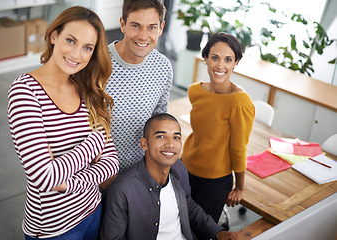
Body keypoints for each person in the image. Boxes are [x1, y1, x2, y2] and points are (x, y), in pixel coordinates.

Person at [7, 6, 119, 240]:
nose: (77, 55)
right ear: (54, 36)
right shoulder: (25, 93)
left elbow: (111, 163)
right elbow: (45, 178)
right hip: (54, 228)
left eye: (87, 47)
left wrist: (67, 184)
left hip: (93, 209)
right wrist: (94, 143)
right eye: (71, 40)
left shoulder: (86, 88)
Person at [100, 113, 237, 240]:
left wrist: (218, 232)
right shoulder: (123, 189)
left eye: (176, 137)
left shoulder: (180, 168)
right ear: (144, 144)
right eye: (161, 136)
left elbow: (189, 206)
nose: (170, 144)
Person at [181, 32, 255, 230]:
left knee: (201, 231)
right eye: (214, 57)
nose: (220, 65)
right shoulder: (195, 91)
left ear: (236, 62)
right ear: (205, 58)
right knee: (177, 224)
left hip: (213, 182)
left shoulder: (240, 102)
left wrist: (240, 187)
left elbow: (238, 148)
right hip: (185, 168)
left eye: (228, 59)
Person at [104, 0, 173, 175]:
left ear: (161, 28)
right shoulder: (98, 64)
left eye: (151, 27)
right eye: (135, 26)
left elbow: (158, 119)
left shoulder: (163, 67)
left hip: (140, 172)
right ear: (122, 24)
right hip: (97, 175)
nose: (143, 36)